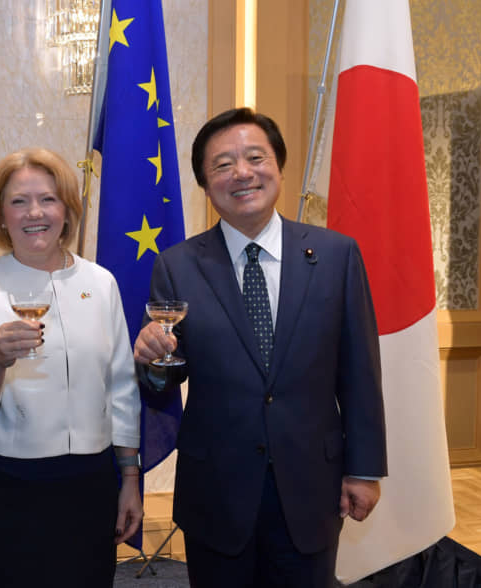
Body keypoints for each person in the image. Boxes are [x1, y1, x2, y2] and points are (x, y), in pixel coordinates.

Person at [133, 107, 387, 588]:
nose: (242, 173)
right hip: (217, 490)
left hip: (313, 485)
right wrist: (149, 359)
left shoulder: (336, 256)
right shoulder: (178, 265)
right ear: (205, 185)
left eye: (255, 157)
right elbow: (165, 380)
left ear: (279, 168)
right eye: (223, 165)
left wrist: (365, 469)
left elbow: (360, 373)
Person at [0, 147, 142, 587]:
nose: (34, 212)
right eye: (18, 201)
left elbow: (122, 388)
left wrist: (129, 476)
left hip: (88, 484)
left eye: (48, 199)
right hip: (4, 485)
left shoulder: (101, 282)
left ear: (68, 210)